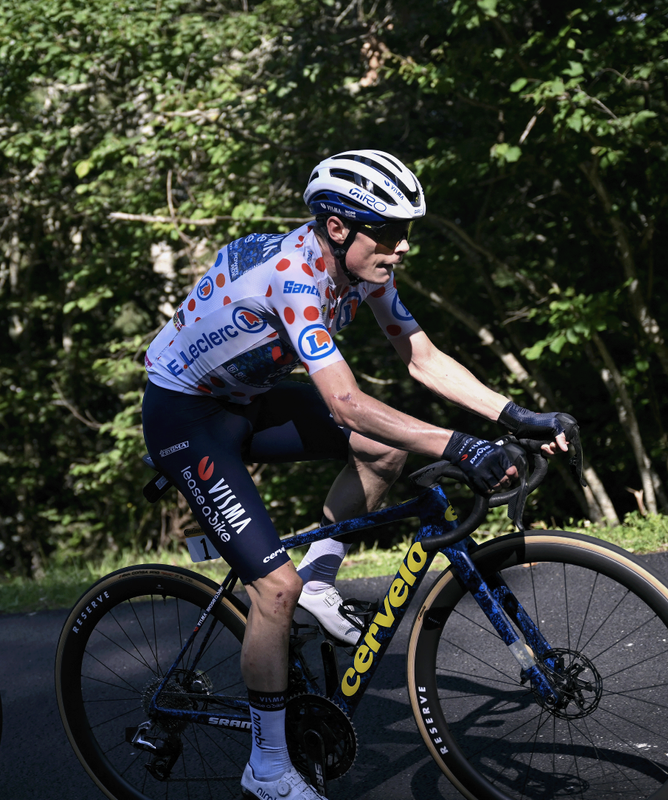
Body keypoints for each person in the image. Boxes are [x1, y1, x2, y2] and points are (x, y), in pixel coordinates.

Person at [141, 149, 576, 800]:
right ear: (338, 226)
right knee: (273, 590)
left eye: (408, 232)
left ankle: (321, 583)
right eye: (391, 232)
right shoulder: (294, 278)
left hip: (248, 398)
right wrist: (461, 447)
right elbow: (346, 402)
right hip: (187, 415)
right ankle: (266, 766)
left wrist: (515, 414)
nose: (403, 248)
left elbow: (421, 357)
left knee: (383, 453)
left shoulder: (365, 268)